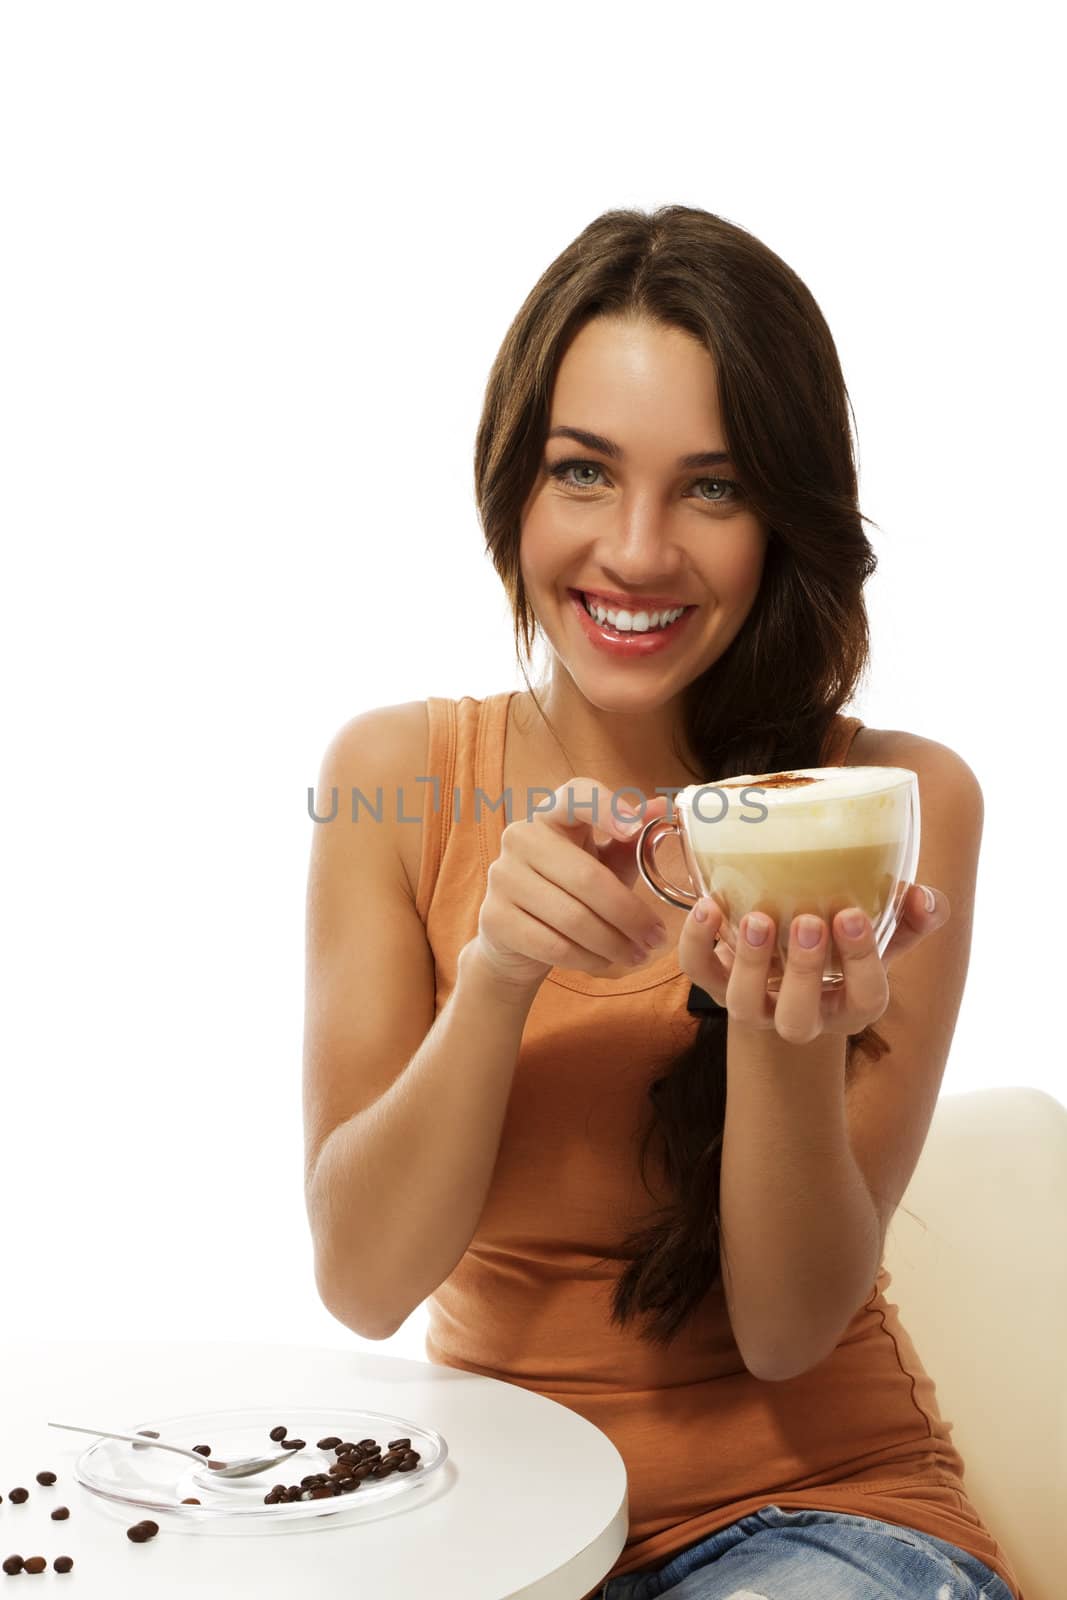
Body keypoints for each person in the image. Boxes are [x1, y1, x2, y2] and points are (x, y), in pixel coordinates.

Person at [302, 207, 1023, 1600]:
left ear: (784, 520)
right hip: (498, 1536)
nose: (636, 551)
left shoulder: (889, 806)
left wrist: (782, 1030)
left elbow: (792, 1326)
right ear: (514, 486)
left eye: (712, 486)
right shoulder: (392, 777)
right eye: (584, 471)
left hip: (816, 1521)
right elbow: (363, 1281)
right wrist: (500, 968)